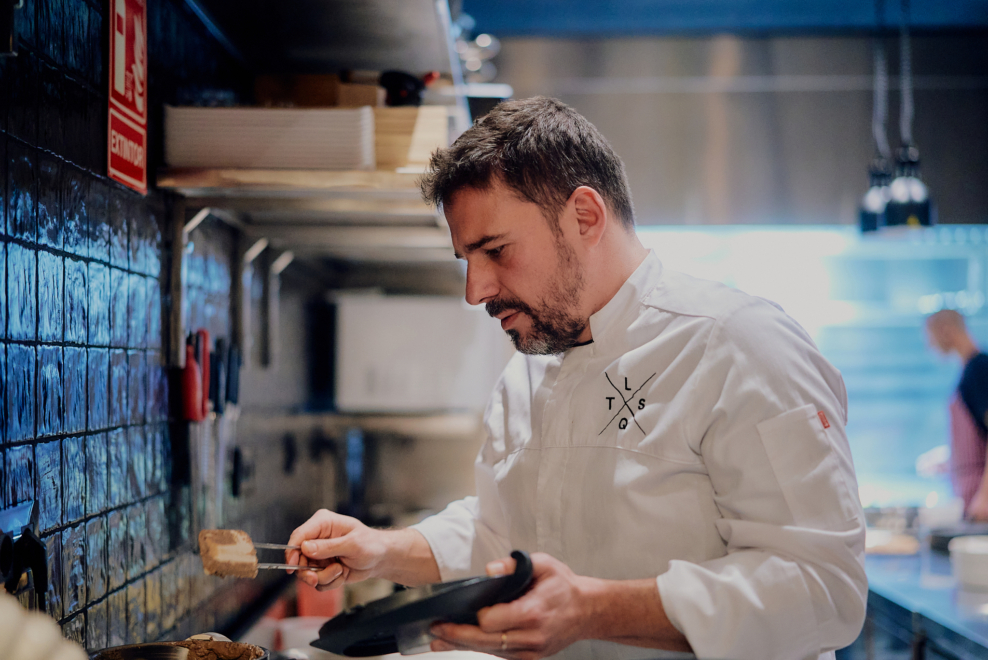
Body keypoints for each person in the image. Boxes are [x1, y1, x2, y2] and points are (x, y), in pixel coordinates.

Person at [287, 97, 867, 660]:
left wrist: (592, 610)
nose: (475, 291)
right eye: (467, 259)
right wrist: (381, 550)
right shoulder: (526, 375)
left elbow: (824, 589)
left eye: (495, 250)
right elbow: (501, 536)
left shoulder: (739, 344)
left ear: (585, 216)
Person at [926, 309, 988, 520]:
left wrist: (985, 497)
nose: (930, 346)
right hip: (971, 501)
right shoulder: (969, 371)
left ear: (946, 330)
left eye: (930, 337)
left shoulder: (979, 370)